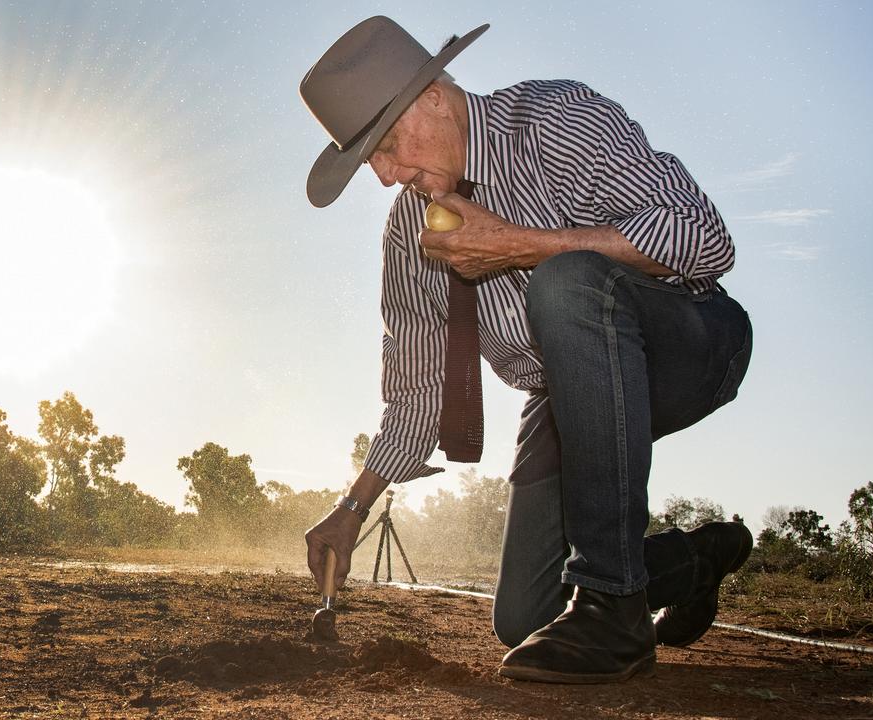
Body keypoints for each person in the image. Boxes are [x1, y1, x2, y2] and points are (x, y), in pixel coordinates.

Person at [299, 17, 754, 684]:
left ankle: (612, 603)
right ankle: (692, 562)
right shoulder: (408, 236)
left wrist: (524, 246)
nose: (386, 177)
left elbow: (703, 240)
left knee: (567, 281)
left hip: (690, 342)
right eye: (372, 160)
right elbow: (418, 392)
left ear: (433, 94)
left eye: (389, 146)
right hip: (565, 395)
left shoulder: (552, 121)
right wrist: (352, 507)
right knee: (524, 618)